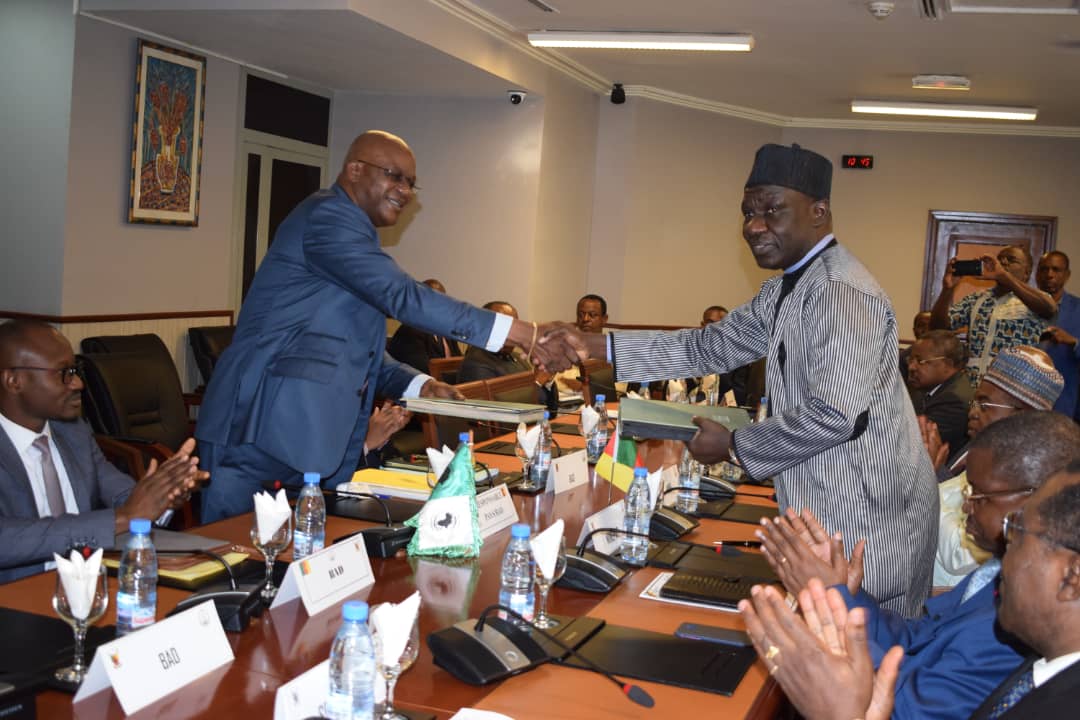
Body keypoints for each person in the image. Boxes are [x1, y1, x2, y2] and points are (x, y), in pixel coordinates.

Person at [549, 143, 938, 617]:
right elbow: (706, 347)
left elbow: (835, 414)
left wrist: (734, 445)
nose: (754, 226)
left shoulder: (841, 292)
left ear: (818, 213)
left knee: (865, 646)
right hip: (832, 503)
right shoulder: (788, 287)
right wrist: (594, 346)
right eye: (748, 213)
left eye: (772, 210)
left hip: (869, 516)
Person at [195, 130, 577, 522]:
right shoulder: (328, 217)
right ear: (354, 170)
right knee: (232, 549)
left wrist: (420, 385)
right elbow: (404, 296)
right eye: (394, 176)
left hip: (308, 441)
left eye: (411, 182)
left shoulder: (355, 242)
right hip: (257, 430)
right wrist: (526, 334)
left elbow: (355, 350)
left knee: (303, 554)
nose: (405, 190)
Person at [753, 410, 1079, 720]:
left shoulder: (1013, 625)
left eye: (980, 496)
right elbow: (916, 638)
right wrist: (844, 594)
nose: (966, 506)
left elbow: (906, 710)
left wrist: (830, 602)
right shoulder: (994, 578)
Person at [0, 320, 205, 583]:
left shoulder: (72, 431)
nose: (78, 384)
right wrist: (122, 518)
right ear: (14, 381)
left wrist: (163, 495)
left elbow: (122, 496)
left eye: (76, 371)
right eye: (63, 373)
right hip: (18, 594)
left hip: (93, 583)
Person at [930, 345, 1062, 587]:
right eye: (975, 402)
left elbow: (961, 555)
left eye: (985, 406)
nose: (972, 412)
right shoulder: (981, 447)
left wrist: (929, 481)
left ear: (1021, 415)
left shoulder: (1025, 478)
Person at [930, 246, 1055, 385]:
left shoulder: (1034, 299)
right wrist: (947, 289)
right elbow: (937, 328)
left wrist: (1004, 276)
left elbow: (1050, 309)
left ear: (1027, 272)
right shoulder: (977, 299)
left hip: (1013, 386)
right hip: (973, 385)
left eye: (1011, 260)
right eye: (1000, 259)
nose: (1004, 262)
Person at [458, 301, 558, 412]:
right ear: (485, 327)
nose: (511, 334)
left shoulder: (517, 357)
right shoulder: (476, 363)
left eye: (513, 327)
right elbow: (501, 412)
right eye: (503, 327)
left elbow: (551, 409)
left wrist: (548, 381)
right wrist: (538, 382)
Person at [907, 329, 973, 464]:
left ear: (947, 365)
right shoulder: (928, 388)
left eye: (920, 361)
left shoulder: (953, 401)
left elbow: (910, 443)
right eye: (911, 360)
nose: (911, 367)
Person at [386, 278, 463, 375]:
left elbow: (460, 362)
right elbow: (423, 370)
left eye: (443, 301)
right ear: (421, 302)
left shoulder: (447, 331)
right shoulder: (410, 331)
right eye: (434, 300)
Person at [1036, 250, 1080, 419]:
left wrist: (1073, 341)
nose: (1049, 274)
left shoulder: (1078, 309)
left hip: (1064, 401)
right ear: (1037, 274)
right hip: (1023, 394)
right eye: (1044, 269)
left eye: (1056, 269)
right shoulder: (1021, 306)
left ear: (1067, 275)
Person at [899, 310, 933, 386]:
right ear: (914, 330)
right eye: (921, 325)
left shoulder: (945, 355)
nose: (926, 330)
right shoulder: (903, 357)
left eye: (931, 326)